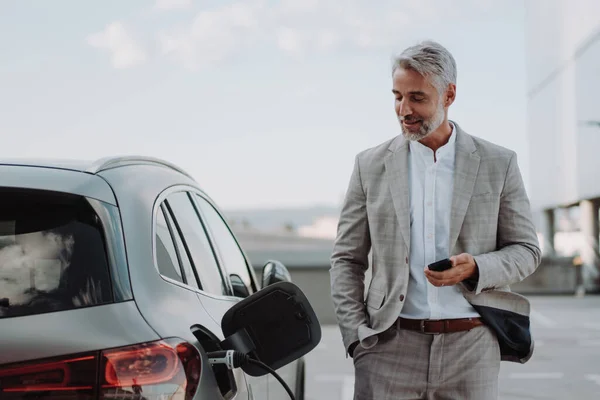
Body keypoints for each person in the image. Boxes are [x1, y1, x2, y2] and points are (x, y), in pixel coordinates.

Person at [329, 40, 541, 400]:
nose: (404, 109)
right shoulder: (369, 165)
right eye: (397, 96)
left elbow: (526, 250)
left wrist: (476, 266)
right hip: (387, 348)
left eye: (417, 97)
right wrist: (357, 338)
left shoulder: (498, 163)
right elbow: (347, 259)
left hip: (471, 348)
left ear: (449, 95)